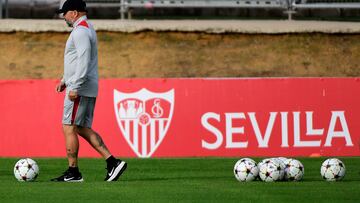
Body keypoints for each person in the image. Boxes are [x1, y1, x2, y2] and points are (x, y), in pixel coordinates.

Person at [52, 0, 127, 182]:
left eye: (65, 13)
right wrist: (64, 79)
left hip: (80, 87)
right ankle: (112, 162)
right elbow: (78, 60)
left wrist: (74, 85)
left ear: (75, 13)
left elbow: (84, 61)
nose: (64, 16)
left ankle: (73, 172)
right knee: (81, 127)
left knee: (68, 126)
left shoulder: (80, 31)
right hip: (85, 85)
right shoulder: (86, 28)